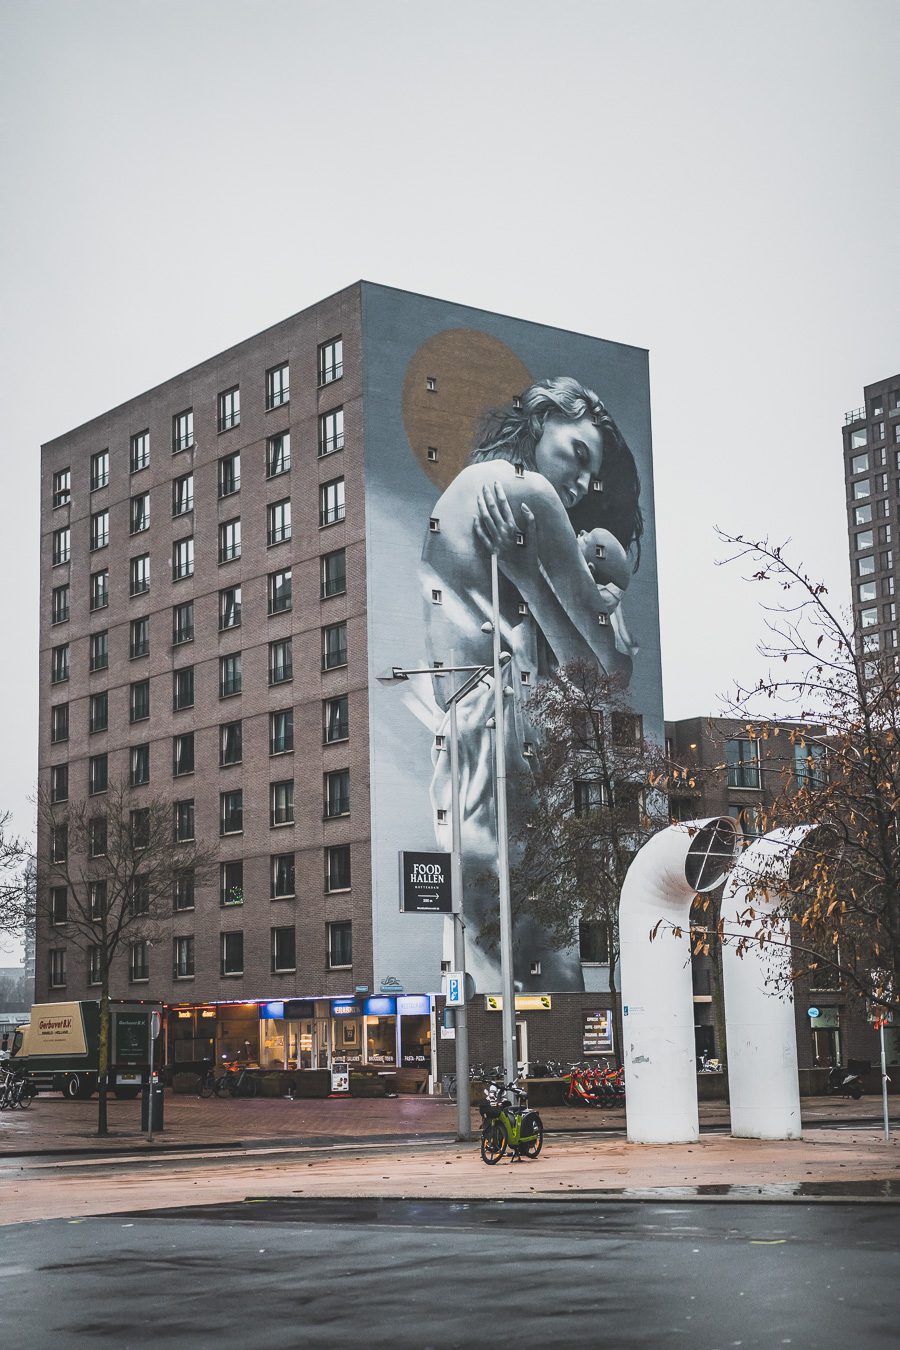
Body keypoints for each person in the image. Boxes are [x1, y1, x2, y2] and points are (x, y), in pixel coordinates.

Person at [416, 376, 643, 989]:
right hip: (506, 724)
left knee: (493, 928)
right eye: (580, 454)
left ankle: (497, 1049)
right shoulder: (529, 493)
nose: (586, 484)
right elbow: (606, 671)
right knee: (544, 943)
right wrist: (546, 579)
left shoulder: (459, 494)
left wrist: (528, 574)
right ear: (543, 422)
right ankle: (537, 1051)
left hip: (463, 727)